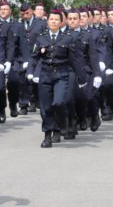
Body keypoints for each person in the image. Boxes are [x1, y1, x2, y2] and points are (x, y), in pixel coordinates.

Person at [27, 10, 86, 148]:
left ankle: (59, 125)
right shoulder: (41, 38)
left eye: (56, 20)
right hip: (45, 74)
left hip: (61, 74)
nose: (53, 22)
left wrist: (81, 78)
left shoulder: (68, 38)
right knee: (45, 107)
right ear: (48, 22)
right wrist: (30, 71)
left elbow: (74, 60)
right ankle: (48, 134)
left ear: (61, 22)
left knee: (59, 102)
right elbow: (34, 56)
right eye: (51, 19)